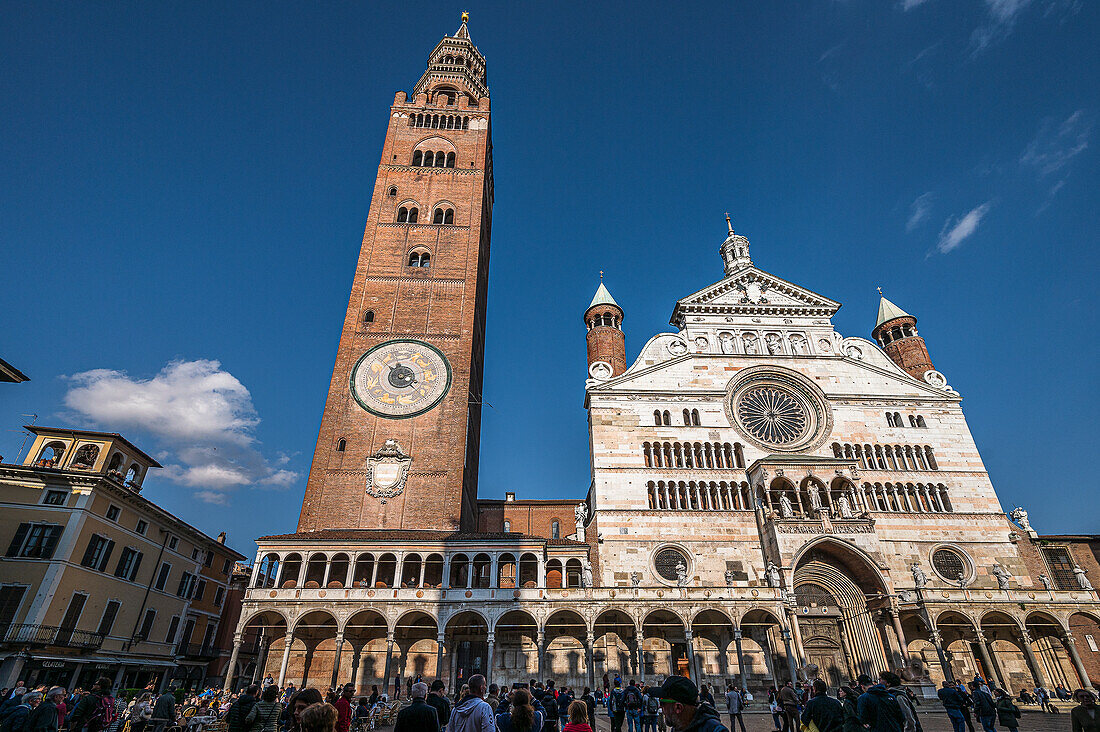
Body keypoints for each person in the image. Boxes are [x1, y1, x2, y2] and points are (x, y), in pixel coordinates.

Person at [653, 676, 726, 732]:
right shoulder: (678, 727)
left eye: (662, 702)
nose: (660, 706)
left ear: (678, 707)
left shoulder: (716, 730)